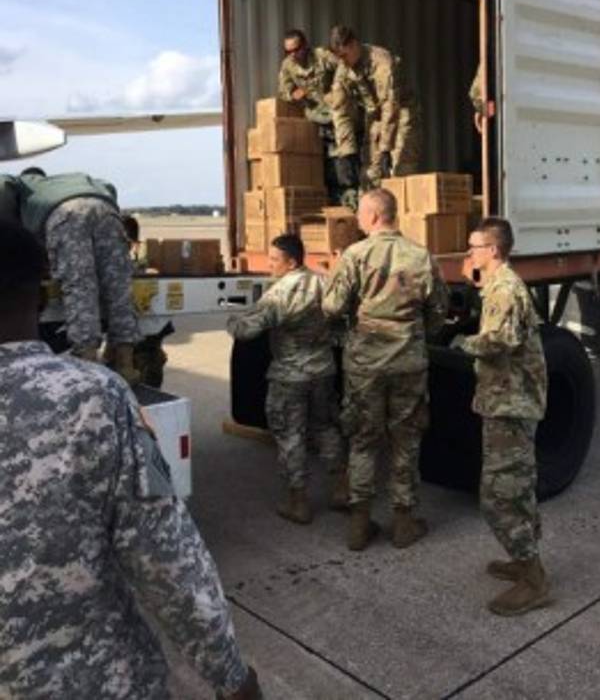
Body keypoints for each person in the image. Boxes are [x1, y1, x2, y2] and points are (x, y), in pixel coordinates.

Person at [0, 218, 261, 700]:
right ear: (42, 294)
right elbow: (167, 561)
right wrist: (231, 677)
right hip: (96, 681)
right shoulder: (92, 398)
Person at [322, 189, 448, 551]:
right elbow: (438, 310)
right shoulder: (422, 256)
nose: (358, 220)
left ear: (375, 216)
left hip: (365, 366)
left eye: (361, 213)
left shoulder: (355, 256)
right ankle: (404, 523)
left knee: (362, 440)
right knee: (406, 440)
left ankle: (359, 525)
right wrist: (416, 332)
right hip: (409, 361)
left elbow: (331, 307)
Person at [451, 217, 550, 616]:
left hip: (511, 405)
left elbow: (500, 340)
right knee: (516, 488)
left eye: (473, 246)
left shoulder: (505, 289)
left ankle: (535, 578)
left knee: (499, 497)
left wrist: (463, 343)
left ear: (492, 250)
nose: (468, 253)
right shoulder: (497, 285)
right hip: (505, 400)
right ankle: (523, 557)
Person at [226, 233, 346, 524]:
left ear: (291, 262)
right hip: (323, 370)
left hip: (290, 376)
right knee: (326, 427)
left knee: (291, 436)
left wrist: (232, 319)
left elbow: (246, 331)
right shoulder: (323, 281)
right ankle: (342, 488)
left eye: (275, 259)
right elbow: (341, 317)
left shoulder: (279, 294)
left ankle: (298, 501)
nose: (270, 265)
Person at [15, 167, 140, 382]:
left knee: (81, 287)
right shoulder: (68, 180)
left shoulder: (23, 185)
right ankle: (126, 365)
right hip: (107, 210)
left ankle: (89, 365)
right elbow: (109, 188)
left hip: (67, 215)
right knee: (119, 288)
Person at [328, 24, 421, 190]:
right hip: (375, 117)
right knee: (370, 174)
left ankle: (401, 214)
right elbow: (340, 110)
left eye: (344, 55)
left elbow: (390, 105)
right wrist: (347, 152)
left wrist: (386, 148)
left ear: (354, 44)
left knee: (400, 168)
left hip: (401, 113)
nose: (342, 61)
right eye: (339, 57)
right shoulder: (344, 68)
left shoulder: (381, 62)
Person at [277, 28, 358, 206]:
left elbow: (344, 66)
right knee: (323, 163)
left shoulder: (321, 56)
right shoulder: (288, 65)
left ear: (305, 46)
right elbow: (283, 90)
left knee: (343, 158)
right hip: (315, 117)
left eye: (296, 49)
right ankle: (335, 199)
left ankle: (350, 195)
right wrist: (292, 94)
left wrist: (336, 89)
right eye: (288, 51)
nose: (293, 54)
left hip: (336, 114)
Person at [119, 213, 173, 388]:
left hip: (145, 335)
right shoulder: (130, 262)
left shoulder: (136, 261)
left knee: (147, 367)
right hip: (141, 334)